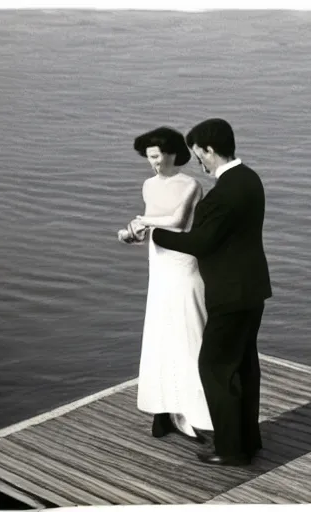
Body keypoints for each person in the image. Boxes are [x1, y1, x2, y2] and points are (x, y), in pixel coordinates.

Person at [152, 118, 272, 466]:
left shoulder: (224, 193)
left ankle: (231, 449)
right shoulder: (250, 179)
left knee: (216, 367)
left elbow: (201, 243)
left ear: (208, 149)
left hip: (230, 294)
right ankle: (248, 440)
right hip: (253, 289)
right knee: (245, 365)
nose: (199, 163)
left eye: (198, 154)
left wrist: (157, 234)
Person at [118, 126, 213, 442]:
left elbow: (177, 222)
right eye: (149, 158)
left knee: (191, 334)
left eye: (157, 156)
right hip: (159, 264)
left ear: (173, 153)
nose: (154, 164)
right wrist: (132, 233)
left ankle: (196, 414)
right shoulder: (148, 185)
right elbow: (151, 225)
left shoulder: (191, 185)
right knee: (161, 334)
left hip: (184, 265)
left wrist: (143, 221)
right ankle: (165, 413)